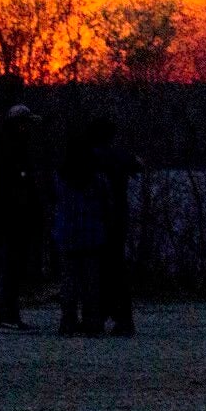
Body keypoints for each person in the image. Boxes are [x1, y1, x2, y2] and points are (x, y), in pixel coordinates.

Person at [0, 105, 44, 330]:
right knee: (8, 268)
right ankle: (6, 315)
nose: (29, 129)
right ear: (18, 125)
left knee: (13, 268)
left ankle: (10, 314)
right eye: (26, 124)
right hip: (8, 221)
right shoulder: (10, 152)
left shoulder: (13, 150)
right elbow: (8, 191)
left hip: (12, 220)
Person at [52, 121, 108, 336]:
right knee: (91, 283)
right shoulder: (96, 179)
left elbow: (55, 199)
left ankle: (68, 322)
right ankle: (92, 323)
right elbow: (106, 203)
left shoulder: (61, 177)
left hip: (68, 235)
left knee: (69, 282)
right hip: (92, 236)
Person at [93, 117, 141, 338]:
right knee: (116, 269)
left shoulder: (92, 157)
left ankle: (103, 315)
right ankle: (121, 318)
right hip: (117, 220)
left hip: (99, 220)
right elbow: (138, 165)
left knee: (101, 270)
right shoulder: (120, 157)